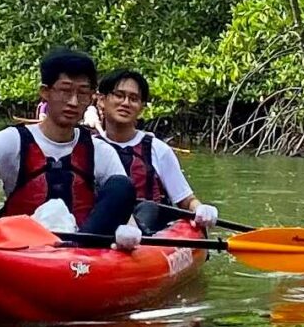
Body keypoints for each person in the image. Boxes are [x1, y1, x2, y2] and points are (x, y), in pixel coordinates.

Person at [0, 49, 140, 252]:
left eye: (82, 94)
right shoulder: (14, 139)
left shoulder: (99, 149)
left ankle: (76, 248)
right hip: (13, 244)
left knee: (121, 185)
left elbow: (122, 198)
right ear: (45, 92)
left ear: (91, 98)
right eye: (65, 91)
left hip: (80, 247)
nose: (73, 102)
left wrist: (129, 228)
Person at [93, 68, 220, 235]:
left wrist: (201, 209)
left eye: (134, 99)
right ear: (102, 100)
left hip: (147, 231)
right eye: (119, 95)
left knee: (148, 208)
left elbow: (186, 201)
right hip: (101, 228)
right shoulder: (89, 147)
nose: (125, 103)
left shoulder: (158, 149)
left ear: (142, 108)